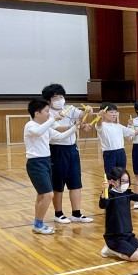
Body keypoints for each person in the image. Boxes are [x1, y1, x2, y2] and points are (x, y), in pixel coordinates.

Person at [41, 83, 94, 224]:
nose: (59, 100)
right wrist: (76, 126)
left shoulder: (70, 108)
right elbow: (58, 129)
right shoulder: (48, 114)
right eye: (55, 97)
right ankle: (58, 214)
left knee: (75, 182)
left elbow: (82, 115)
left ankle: (76, 213)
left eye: (61, 96)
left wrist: (88, 110)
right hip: (57, 149)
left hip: (72, 149)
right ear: (49, 100)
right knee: (58, 183)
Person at [24, 99, 78, 234]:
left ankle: (37, 223)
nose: (49, 114)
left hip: (47, 161)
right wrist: (53, 119)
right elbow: (38, 132)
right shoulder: (30, 125)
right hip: (36, 163)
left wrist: (75, 127)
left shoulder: (46, 127)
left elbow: (60, 137)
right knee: (48, 194)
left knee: (41, 195)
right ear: (37, 113)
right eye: (47, 111)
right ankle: (38, 224)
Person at [99, 167, 138, 261]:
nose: (125, 183)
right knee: (136, 256)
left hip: (127, 234)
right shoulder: (110, 194)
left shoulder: (127, 193)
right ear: (112, 181)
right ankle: (110, 249)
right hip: (115, 237)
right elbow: (103, 205)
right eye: (122, 181)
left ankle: (122, 247)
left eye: (127, 181)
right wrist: (104, 191)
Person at [95, 102, 138, 175]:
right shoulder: (102, 126)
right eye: (111, 112)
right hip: (109, 153)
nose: (114, 114)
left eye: (115, 112)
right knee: (111, 175)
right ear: (104, 113)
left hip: (121, 153)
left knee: (121, 174)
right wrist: (99, 117)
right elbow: (98, 124)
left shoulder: (118, 126)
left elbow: (133, 133)